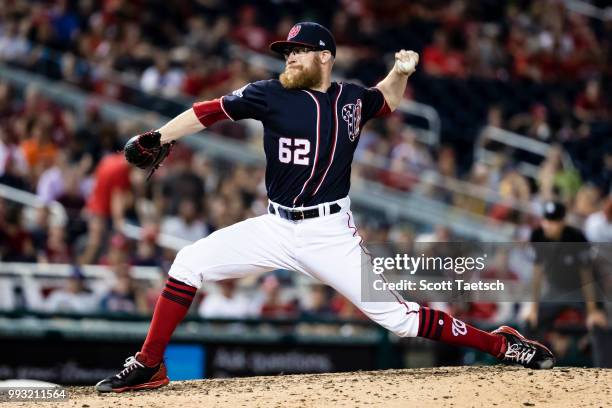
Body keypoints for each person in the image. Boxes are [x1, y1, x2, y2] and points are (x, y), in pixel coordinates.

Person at [96, 22, 554, 393]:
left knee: (399, 319)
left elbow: (388, 98)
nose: (289, 57)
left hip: (329, 233)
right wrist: (160, 136)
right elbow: (209, 110)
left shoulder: (351, 99)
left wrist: (402, 72)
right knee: (188, 261)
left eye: (299, 50)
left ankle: (500, 344)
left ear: (324, 57)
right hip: (275, 227)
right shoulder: (268, 93)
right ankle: (150, 364)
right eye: (286, 51)